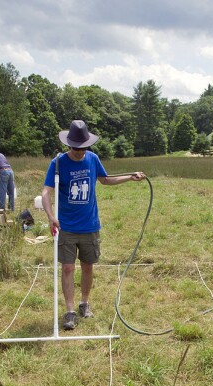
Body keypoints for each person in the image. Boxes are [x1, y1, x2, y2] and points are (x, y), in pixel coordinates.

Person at [42, 120, 146, 331]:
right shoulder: (59, 163)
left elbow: (105, 180)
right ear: (69, 145)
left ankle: (84, 303)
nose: (80, 152)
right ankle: (70, 311)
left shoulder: (93, 159)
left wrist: (130, 177)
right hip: (67, 226)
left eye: (84, 148)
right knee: (68, 267)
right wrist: (51, 216)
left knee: (88, 266)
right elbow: (46, 191)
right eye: (76, 148)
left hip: (90, 225)